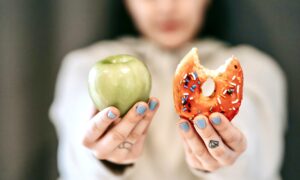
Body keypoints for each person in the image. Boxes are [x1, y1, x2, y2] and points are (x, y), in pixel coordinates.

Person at [49, 0, 287, 179]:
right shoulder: (83, 66)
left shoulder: (256, 68)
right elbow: (76, 153)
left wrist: (227, 157)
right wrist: (103, 158)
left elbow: (255, 147)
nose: (166, 7)